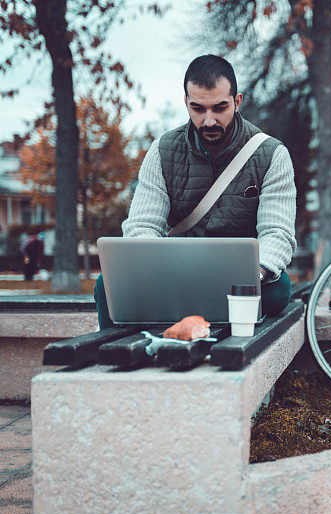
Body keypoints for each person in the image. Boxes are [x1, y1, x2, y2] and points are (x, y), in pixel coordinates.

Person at [94, 54, 296, 329]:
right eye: (198, 109)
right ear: (186, 103)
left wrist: (256, 272)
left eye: (220, 108)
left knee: (278, 289)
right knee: (106, 284)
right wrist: (159, 269)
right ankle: (114, 357)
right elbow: (142, 225)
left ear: (237, 102)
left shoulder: (272, 154)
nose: (209, 120)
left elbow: (277, 233)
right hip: (175, 273)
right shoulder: (162, 150)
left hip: (243, 277)